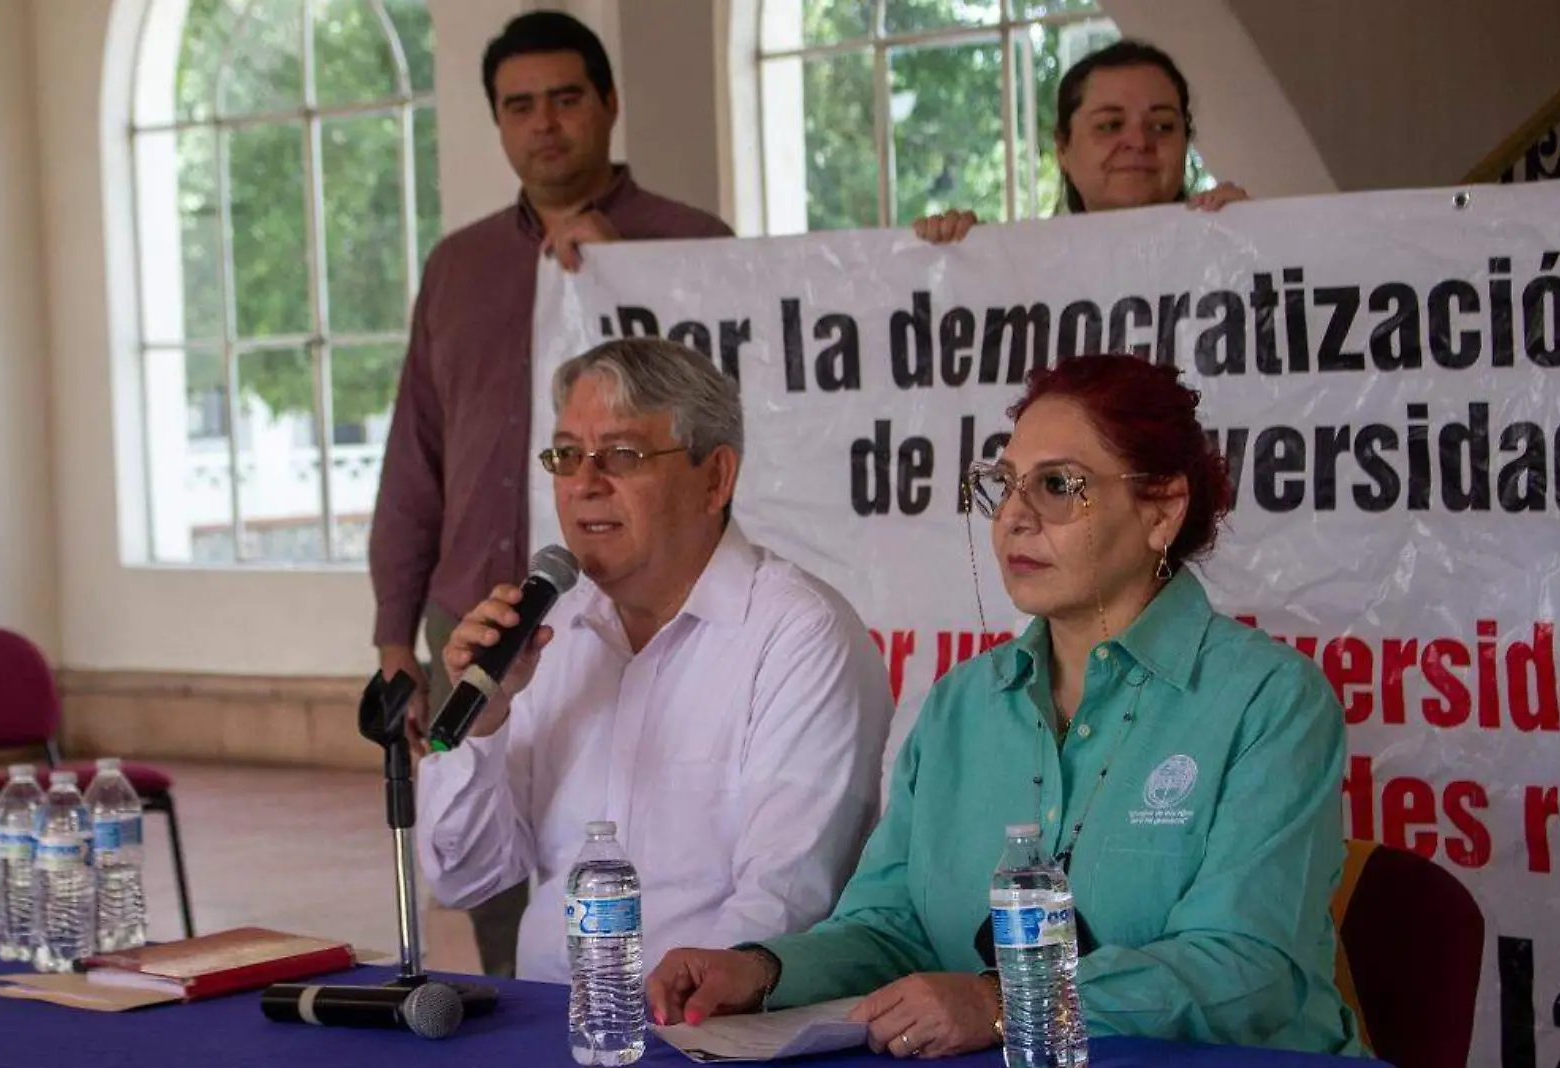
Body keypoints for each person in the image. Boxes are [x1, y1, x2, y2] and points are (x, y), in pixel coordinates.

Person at [647, 354, 1363, 1059]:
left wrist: (1002, 1004)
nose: (1014, 518)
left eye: (1057, 486)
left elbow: (1246, 967)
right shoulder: (962, 705)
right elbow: (891, 927)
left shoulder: (1269, 702)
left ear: (1162, 509)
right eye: (1004, 485)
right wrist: (764, 971)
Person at [369, 10, 734, 977]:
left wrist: (624, 281)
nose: (545, 125)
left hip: (621, 607)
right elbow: (417, 454)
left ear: (609, 104)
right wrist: (390, 634)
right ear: (497, 121)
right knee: (489, 882)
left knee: (620, 846)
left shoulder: (692, 245)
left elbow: (730, 428)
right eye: (519, 106)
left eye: (566, 99)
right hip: (480, 614)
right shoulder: (457, 266)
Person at [415, 337, 893, 984]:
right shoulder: (547, 633)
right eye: (566, 456)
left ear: (716, 478)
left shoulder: (797, 635)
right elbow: (462, 873)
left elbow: (785, 903)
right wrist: (486, 720)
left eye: (622, 455)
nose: (584, 484)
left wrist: (654, 1018)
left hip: (707, 1032)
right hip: (550, 1019)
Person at [914, 40, 1250, 243]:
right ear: (1062, 149)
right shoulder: (1015, 269)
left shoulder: (1236, 239)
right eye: (1110, 125)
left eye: (1162, 126)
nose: (1138, 141)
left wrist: (1261, 237)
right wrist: (953, 261)